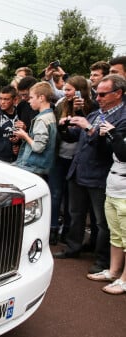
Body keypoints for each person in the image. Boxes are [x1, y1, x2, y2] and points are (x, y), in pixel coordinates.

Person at [54, 75, 126, 275]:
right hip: (79, 172)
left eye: (103, 94)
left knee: (102, 221)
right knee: (75, 213)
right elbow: (76, 137)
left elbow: (111, 149)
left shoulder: (122, 118)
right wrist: (64, 128)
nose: (98, 97)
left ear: (118, 93)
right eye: (97, 93)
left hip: (100, 175)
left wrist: (89, 129)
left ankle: (102, 259)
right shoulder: (96, 113)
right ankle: (73, 247)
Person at [49, 76, 95, 244]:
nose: (66, 93)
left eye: (69, 90)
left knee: (72, 199)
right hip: (59, 155)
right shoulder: (61, 104)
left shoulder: (92, 107)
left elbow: (89, 133)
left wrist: (81, 112)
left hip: (77, 159)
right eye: (66, 89)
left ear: (80, 91)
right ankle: (53, 229)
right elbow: (58, 132)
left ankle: (68, 232)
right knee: (55, 193)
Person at [86, 120, 126, 294]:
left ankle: (124, 280)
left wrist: (114, 134)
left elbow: (124, 154)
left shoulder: (119, 133)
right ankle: (114, 271)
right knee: (115, 235)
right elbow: (105, 152)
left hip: (124, 193)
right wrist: (103, 137)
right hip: (113, 188)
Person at [13, 81, 57, 179]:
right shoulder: (51, 115)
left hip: (34, 167)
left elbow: (38, 147)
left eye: (32, 97)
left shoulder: (41, 119)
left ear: (41, 98)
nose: (29, 101)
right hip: (40, 167)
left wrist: (24, 135)